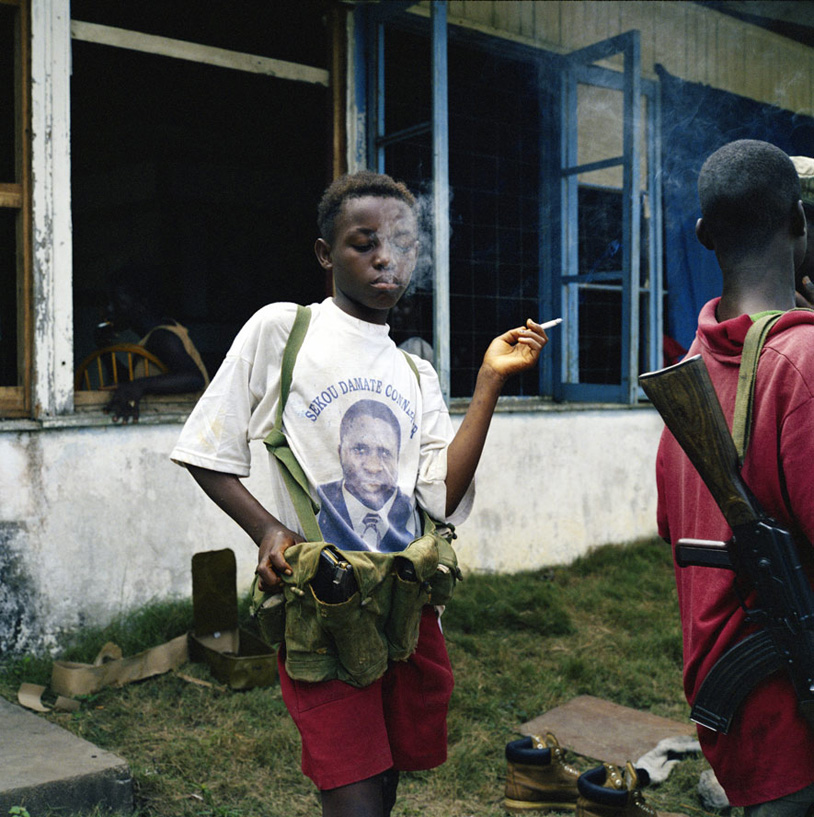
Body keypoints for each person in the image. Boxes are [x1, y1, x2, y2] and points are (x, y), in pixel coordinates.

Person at [170, 170, 550, 817]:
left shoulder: (416, 371)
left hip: (404, 610)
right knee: (353, 798)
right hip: (324, 612)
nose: (385, 256)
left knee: (384, 786)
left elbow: (442, 496)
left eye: (401, 242)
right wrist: (267, 527)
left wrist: (488, 381)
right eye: (363, 241)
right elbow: (205, 449)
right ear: (326, 254)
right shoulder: (283, 334)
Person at [655, 140, 814, 814]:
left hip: (727, 688)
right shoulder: (802, 362)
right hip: (790, 705)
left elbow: (671, 521)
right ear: (799, 220)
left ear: (702, 235)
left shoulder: (693, 363)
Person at [95, 271, 209, 423]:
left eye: (117, 302)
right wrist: (104, 348)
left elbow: (194, 378)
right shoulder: (149, 341)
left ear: (141, 304)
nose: (110, 309)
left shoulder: (161, 337)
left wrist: (139, 386)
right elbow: (129, 383)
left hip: (193, 423)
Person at [316, 399, 416, 552]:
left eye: (384, 452)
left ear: (397, 458)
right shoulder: (317, 505)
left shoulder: (412, 511)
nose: (373, 467)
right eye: (360, 450)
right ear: (340, 453)